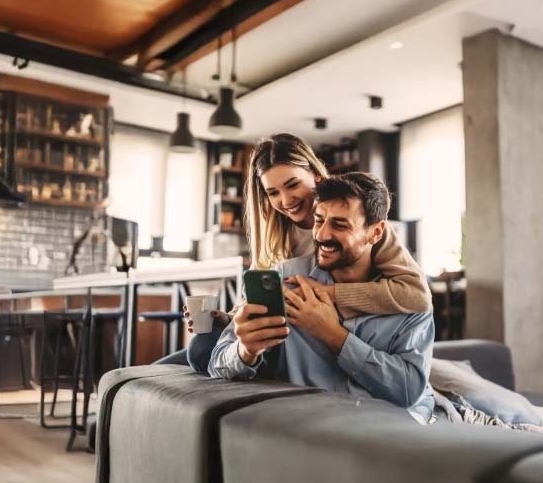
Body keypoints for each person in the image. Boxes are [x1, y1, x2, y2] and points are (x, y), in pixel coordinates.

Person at [186, 133, 430, 373]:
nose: (286, 200)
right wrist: (229, 319)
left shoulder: (361, 223)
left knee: (202, 354)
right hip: (286, 335)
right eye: (273, 193)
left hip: (328, 338)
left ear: (315, 175)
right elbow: (262, 303)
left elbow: (417, 295)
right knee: (198, 349)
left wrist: (329, 293)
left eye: (293, 185)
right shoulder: (276, 233)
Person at [208, 172, 436, 423]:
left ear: (376, 232)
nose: (322, 235)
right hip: (306, 429)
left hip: (377, 433)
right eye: (319, 221)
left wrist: (335, 336)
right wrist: (246, 351)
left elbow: (410, 391)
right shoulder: (286, 278)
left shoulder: (408, 297)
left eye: (340, 225)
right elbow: (218, 364)